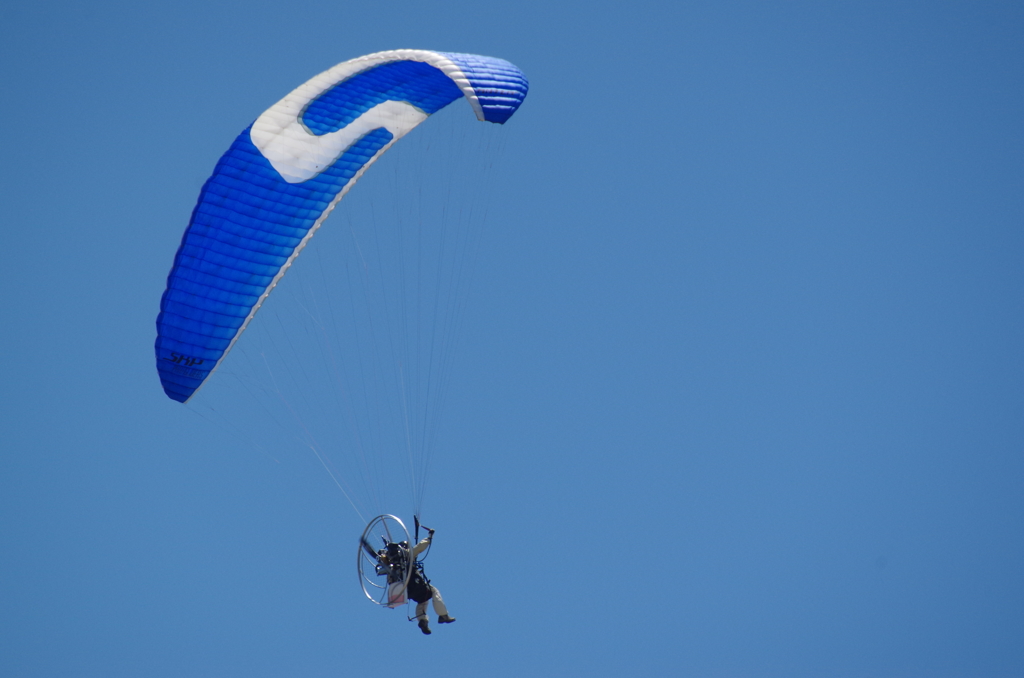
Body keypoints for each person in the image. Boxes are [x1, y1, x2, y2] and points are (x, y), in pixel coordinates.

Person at [407, 526, 455, 635]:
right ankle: (443, 616)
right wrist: (429, 537)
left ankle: (422, 621)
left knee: (422, 600)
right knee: (433, 591)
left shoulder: (392, 564)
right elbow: (420, 547)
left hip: (408, 591)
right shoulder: (406, 555)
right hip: (415, 584)